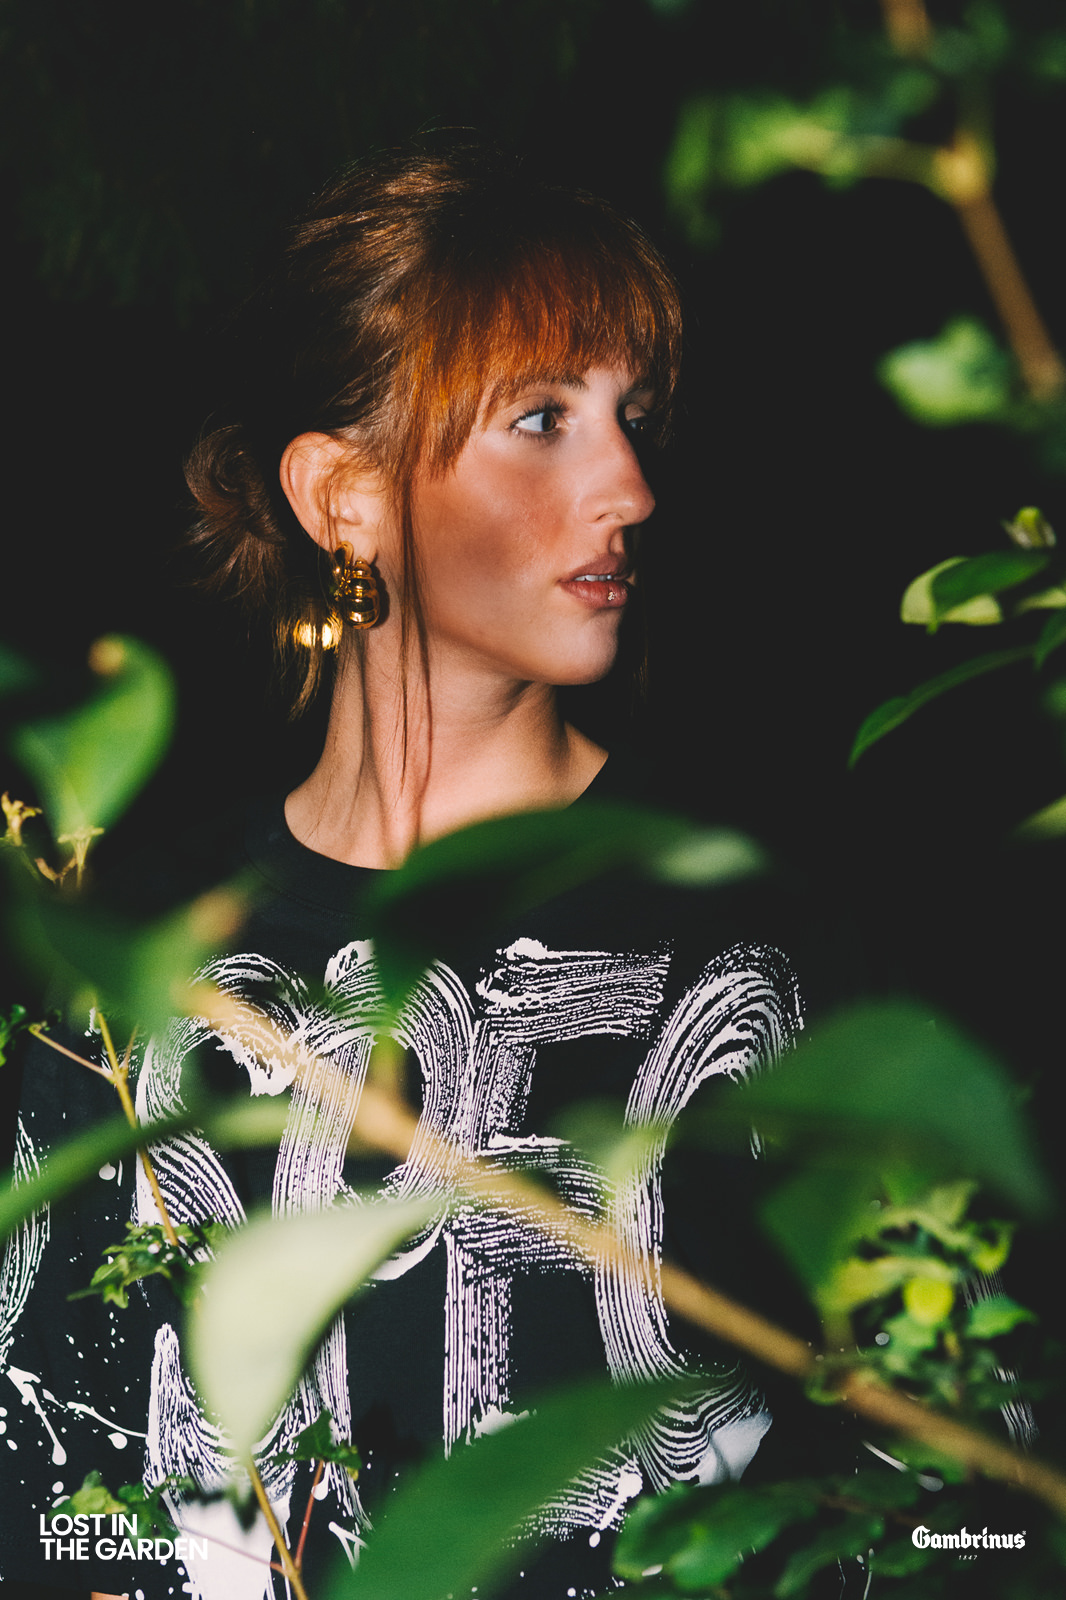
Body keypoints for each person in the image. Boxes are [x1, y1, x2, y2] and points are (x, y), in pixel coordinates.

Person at [0, 141, 804, 1600]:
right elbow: (52, 1506)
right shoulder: (140, 976)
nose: (629, 485)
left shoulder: (755, 948)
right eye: (542, 419)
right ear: (345, 497)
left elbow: (958, 1495)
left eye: (632, 417)